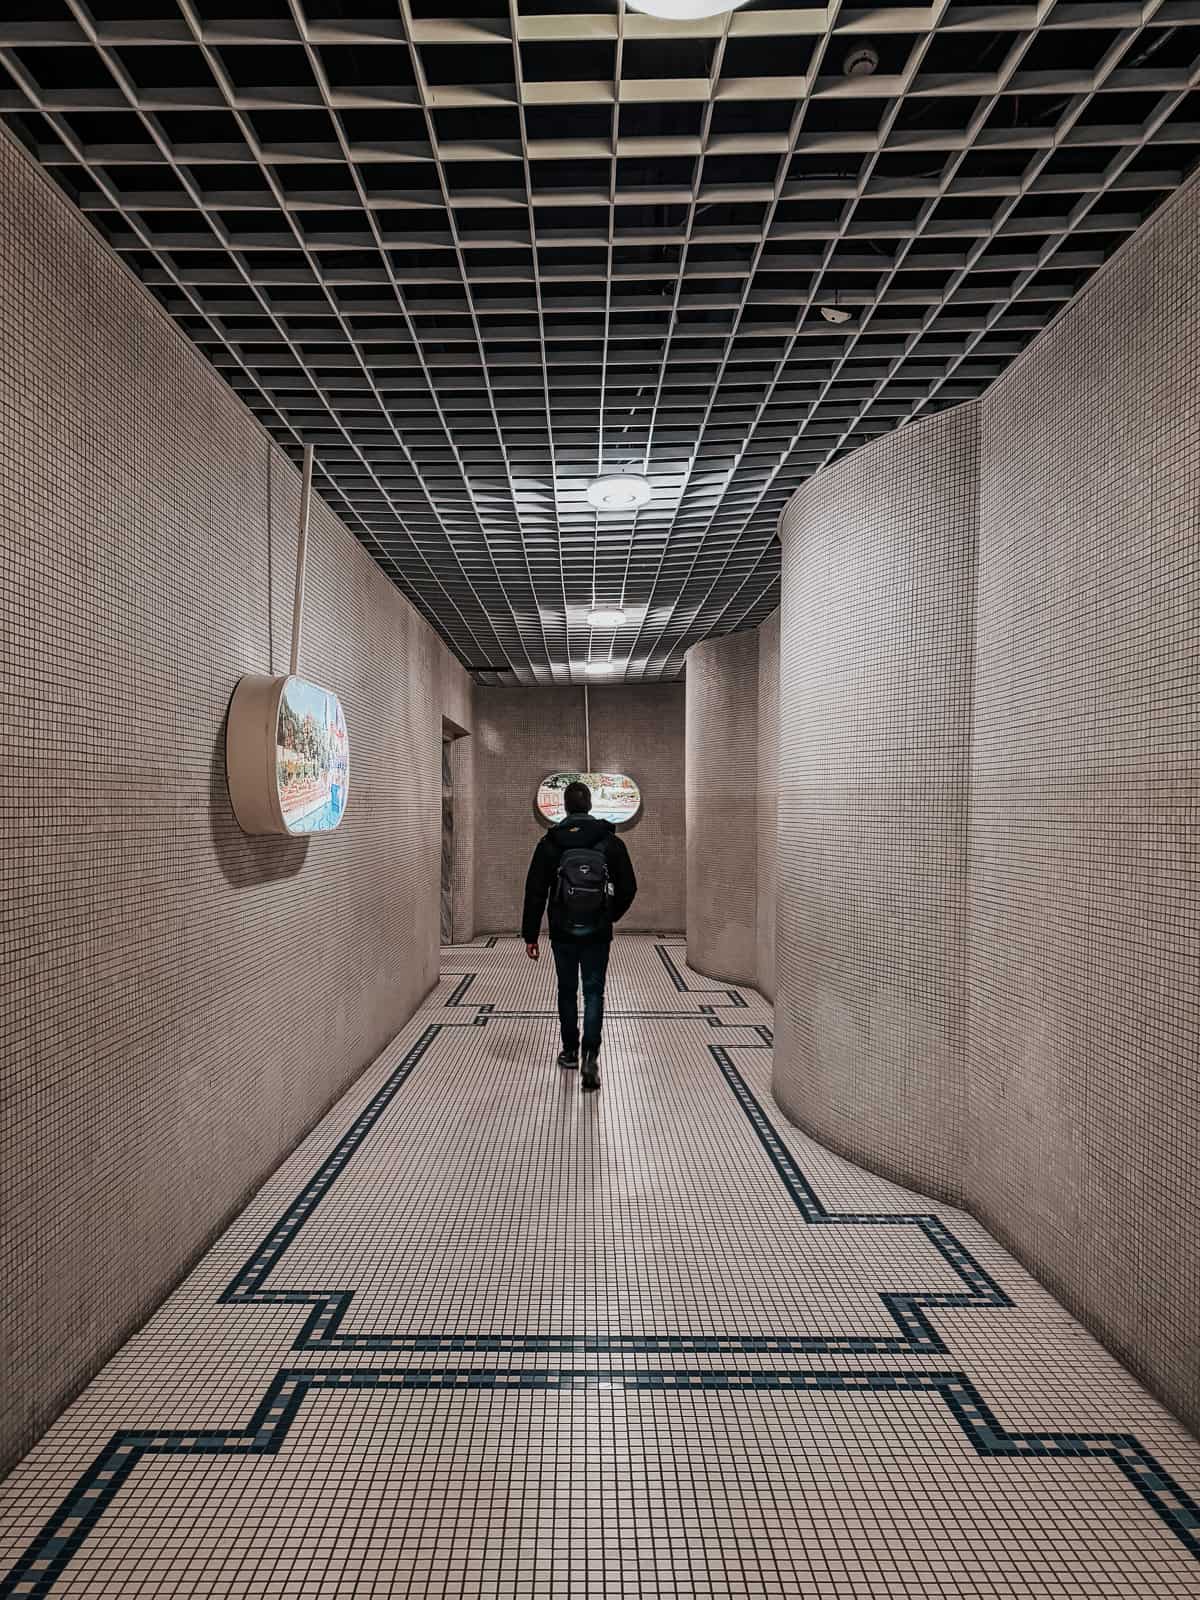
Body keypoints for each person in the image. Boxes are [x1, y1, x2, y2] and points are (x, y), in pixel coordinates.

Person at [522, 781, 637, 1091]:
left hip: (562, 929)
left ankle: (570, 1051)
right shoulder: (610, 842)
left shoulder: (550, 842)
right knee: (594, 992)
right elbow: (629, 888)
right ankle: (591, 1056)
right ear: (589, 805)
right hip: (598, 931)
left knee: (567, 989)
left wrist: (530, 935)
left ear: (565, 806)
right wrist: (609, 915)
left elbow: (534, 891)